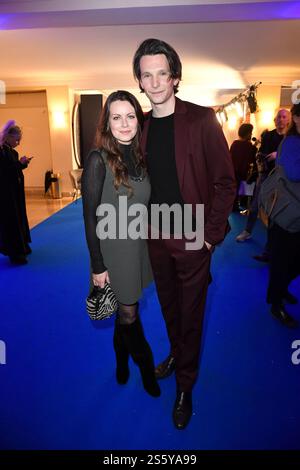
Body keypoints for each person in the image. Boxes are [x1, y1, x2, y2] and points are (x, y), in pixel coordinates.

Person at [132, 38, 236, 429]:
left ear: (175, 77)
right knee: (169, 306)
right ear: (139, 81)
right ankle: (177, 352)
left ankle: (185, 386)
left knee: (191, 314)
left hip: (194, 238)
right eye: (147, 75)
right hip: (155, 237)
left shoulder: (201, 119)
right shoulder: (139, 127)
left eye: (162, 73)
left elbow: (226, 182)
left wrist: (209, 237)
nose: (155, 82)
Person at [81, 90, 160, 398]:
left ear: (138, 121)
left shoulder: (140, 156)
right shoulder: (98, 159)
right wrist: (98, 266)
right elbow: (89, 217)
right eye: (117, 117)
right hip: (113, 252)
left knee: (124, 311)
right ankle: (146, 367)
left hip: (137, 248)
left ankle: (120, 362)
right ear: (107, 123)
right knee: (129, 314)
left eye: (130, 116)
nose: (125, 124)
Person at [236, 109, 290, 258]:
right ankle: (247, 231)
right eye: (278, 117)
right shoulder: (268, 136)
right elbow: (261, 154)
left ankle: (269, 248)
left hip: (282, 180)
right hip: (265, 176)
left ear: (288, 120)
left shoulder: (291, 139)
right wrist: (261, 156)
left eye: (284, 117)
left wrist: (278, 155)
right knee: (255, 205)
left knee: (275, 212)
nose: (280, 119)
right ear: (275, 120)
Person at [267, 103, 300, 328]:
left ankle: (281, 290)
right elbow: (293, 173)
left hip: (294, 211)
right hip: (286, 212)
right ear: (296, 118)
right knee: (282, 260)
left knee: (294, 261)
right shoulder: (291, 142)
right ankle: (276, 304)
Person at [0, 120, 32, 265]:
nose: (18, 142)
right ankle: (15, 253)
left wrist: (22, 164)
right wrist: (19, 164)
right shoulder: (1, 151)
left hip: (14, 192)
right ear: (7, 136)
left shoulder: (11, 152)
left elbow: (13, 169)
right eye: (16, 139)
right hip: (6, 194)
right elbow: (4, 172)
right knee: (11, 222)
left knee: (18, 219)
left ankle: (22, 246)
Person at [229, 123, 257, 211]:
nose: (251, 134)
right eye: (251, 132)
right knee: (242, 192)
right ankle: (240, 206)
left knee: (234, 192)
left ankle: (234, 206)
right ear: (247, 133)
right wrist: (255, 146)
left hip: (232, 172)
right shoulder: (249, 146)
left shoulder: (234, 144)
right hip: (242, 173)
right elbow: (252, 159)